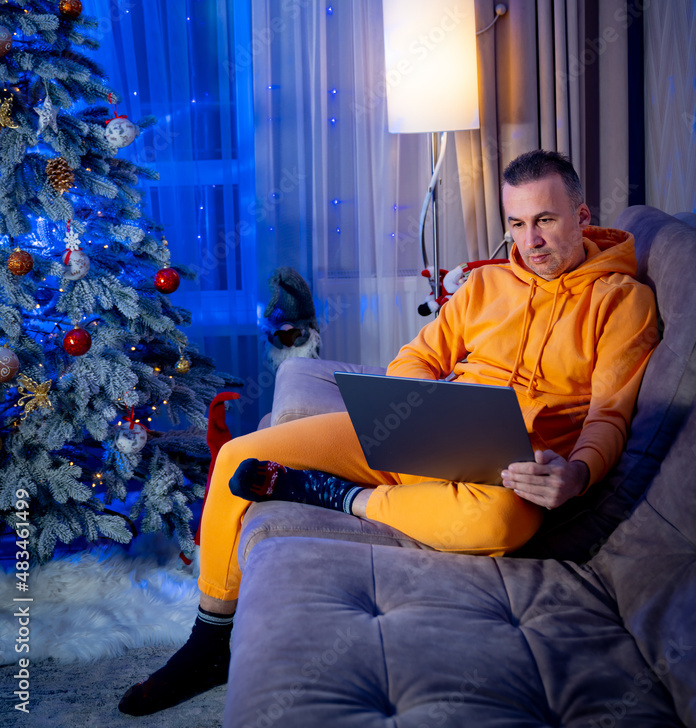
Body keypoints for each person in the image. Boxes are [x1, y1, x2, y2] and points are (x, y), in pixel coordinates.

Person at [118, 149, 657, 716]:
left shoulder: (623, 301)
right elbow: (414, 359)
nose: (532, 241)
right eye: (517, 224)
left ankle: (339, 497)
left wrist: (575, 473)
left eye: (546, 220)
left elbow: (610, 416)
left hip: (510, 470)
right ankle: (208, 644)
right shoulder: (484, 287)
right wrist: (424, 407)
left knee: (499, 521)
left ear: (581, 214)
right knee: (237, 456)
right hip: (423, 432)